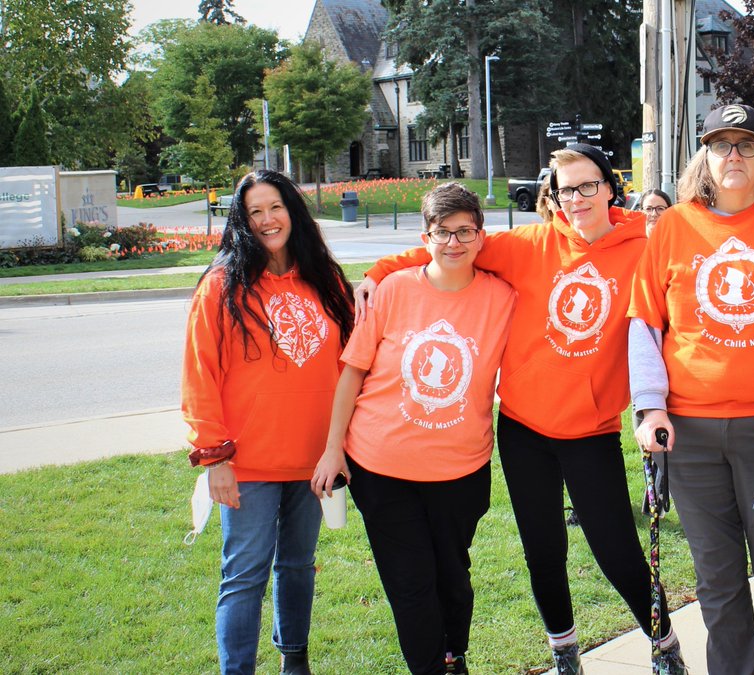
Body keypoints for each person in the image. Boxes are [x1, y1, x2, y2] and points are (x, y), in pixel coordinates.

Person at [354, 145, 686, 674]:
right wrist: (381, 270)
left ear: (610, 187)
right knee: (543, 552)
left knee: (618, 551)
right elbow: (452, 245)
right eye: (564, 189)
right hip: (524, 429)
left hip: (591, 429)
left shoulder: (642, 250)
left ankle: (665, 647)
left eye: (587, 185)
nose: (576, 198)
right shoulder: (530, 244)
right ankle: (564, 653)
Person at [628, 103, 754, 674]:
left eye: (747, 144)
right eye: (721, 145)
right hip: (689, 434)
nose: (734, 155)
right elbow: (645, 324)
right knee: (717, 581)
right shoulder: (673, 226)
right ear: (706, 156)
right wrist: (649, 407)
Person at [313, 183, 515, 675]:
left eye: (464, 231)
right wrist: (332, 449)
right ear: (426, 237)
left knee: (453, 579)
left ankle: (454, 655)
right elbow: (352, 372)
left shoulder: (503, 299)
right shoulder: (393, 290)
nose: (453, 242)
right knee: (410, 583)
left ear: (481, 235)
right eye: (442, 232)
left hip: (460, 469)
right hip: (381, 466)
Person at [181, 169, 355, 675]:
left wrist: (340, 445)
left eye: (275, 207)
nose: (266, 219)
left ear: (292, 211)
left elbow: (352, 364)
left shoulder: (325, 280)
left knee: (298, 565)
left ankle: (294, 659)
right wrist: (214, 458)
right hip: (247, 464)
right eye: (254, 211)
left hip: (315, 459)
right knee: (244, 577)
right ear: (241, 220)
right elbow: (199, 375)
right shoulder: (221, 286)